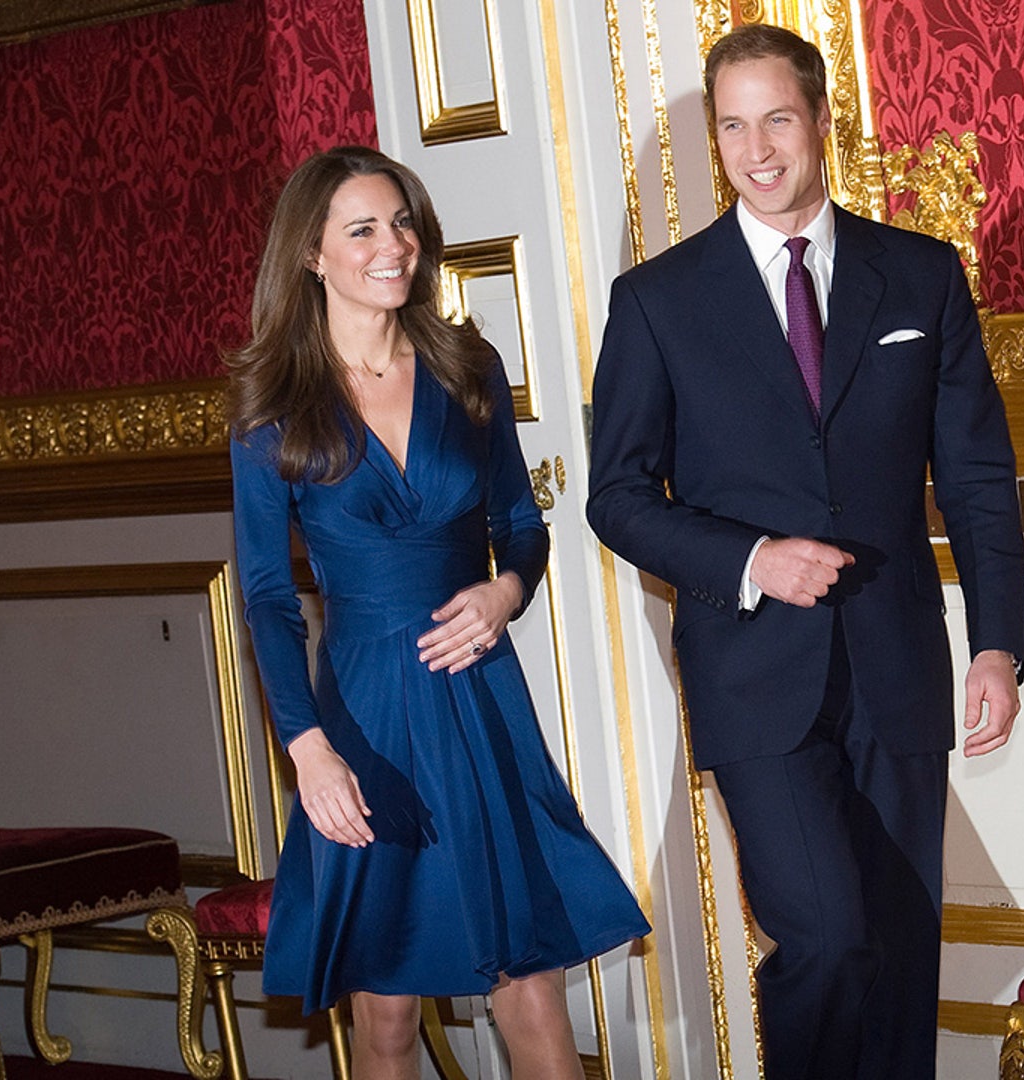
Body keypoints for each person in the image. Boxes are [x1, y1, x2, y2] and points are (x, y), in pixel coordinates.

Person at [586, 24, 1024, 1079]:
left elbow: (973, 478)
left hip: (898, 665)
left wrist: (999, 645)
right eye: (732, 125)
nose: (758, 148)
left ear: (822, 121)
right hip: (754, 678)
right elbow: (616, 497)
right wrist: (750, 561)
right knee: (826, 936)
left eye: (776, 117)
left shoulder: (919, 276)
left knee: (899, 948)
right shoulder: (658, 301)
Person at [229, 146, 649, 1080]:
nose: (395, 246)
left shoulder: (468, 366)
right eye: (365, 229)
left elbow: (521, 528)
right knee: (386, 1008)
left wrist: (506, 593)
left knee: (524, 977)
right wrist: (307, 749)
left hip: (476, 697)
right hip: (363, 715)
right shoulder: (273, 405)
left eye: (403, 223)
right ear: (312, 254)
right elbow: (264, 598)